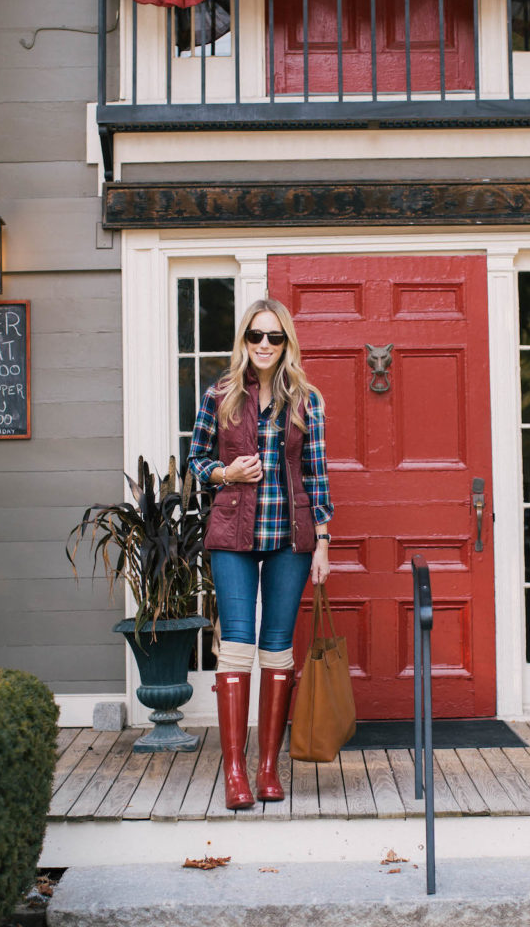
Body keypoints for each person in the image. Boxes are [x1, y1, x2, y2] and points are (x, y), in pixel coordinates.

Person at [188, 298, 333, 809]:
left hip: (290, 538)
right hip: (233, 534)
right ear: (244, 341)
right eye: (256, 335)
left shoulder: (306, 400)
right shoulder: (220, 394)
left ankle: (268, 768)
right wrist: (226, 472)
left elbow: (316, 474)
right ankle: (235, 772)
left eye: (274, 336)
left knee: (276, 646)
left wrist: (323, 542)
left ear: (286, 342)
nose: (264, 345)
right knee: (235, 645)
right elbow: (196, 459)